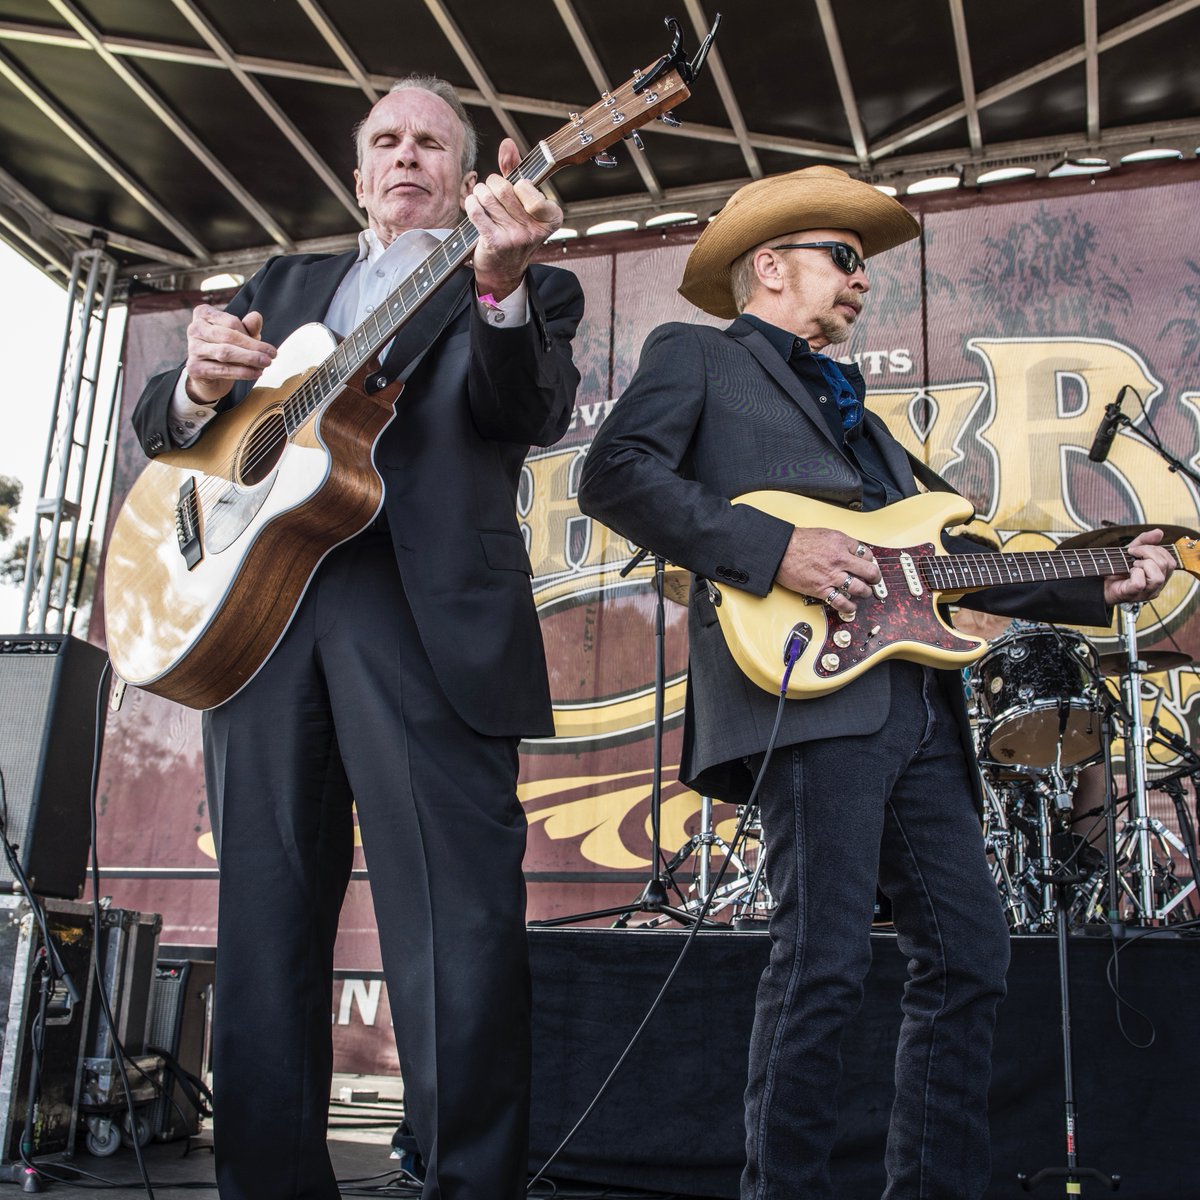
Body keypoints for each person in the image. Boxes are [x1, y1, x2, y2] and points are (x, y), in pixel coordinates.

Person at [576, 165, 1173, 1199]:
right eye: (843, 258)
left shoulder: (874, 430)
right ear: (769, 267)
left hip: (917, 708)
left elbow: (971, 560)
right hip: (805, 696)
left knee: (971, 955)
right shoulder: (701, 358)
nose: (862, 281)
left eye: (865, 266)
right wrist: (775, 550)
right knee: (824, 965)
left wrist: (1100, 577)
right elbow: (616, 472)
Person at [130, 76, 583, 1200]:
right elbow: (165, 427)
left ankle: (468, 1183)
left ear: (473, 175)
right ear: (358, 172)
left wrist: (503, 290)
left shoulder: (531, 278)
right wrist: (192, 384)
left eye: (434, 141)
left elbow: (525, 412)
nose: (407, 155)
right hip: (260, 618)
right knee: (266, 924)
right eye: (387, 138)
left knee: (458, 929)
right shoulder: (282, 285)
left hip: (424, 616)